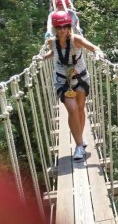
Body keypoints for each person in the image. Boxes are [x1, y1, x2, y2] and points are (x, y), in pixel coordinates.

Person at [38, 11, 104, 161]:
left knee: (80, 109)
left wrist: (98, 54)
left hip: (80, 78)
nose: (62, 30)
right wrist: (42, 57)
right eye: (59, 27)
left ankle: (79, 136)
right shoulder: (51, 42)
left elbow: (94, 48)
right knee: (72, 109)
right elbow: (53, 53)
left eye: (65, 26)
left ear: (69, 27)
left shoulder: (77, 40)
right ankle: (79, 146)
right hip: (62, 81)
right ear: (55, 28)